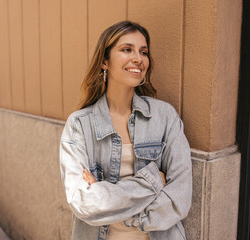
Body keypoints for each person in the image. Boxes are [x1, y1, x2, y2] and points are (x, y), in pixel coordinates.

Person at [59, 20, 192, 240]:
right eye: (127, 49)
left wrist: (117, 209)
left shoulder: (165, 117)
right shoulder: (79, 125)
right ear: (104, 61)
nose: (138, 59)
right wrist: (153, 181)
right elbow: (82, 202)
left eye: (144, 52)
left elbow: (180, 198)